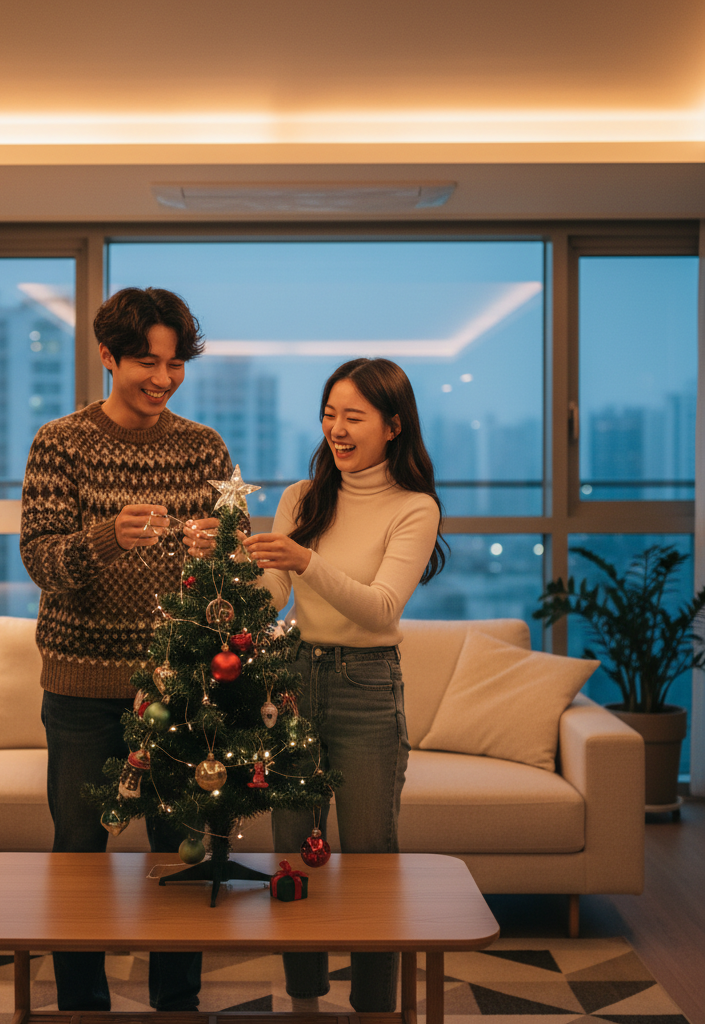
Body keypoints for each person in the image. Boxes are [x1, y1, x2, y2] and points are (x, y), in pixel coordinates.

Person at [19, 286, 230, 1012]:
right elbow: (41, 561)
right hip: (81, 688)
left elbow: (231, 570)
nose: (163, 379)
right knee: (79, 852)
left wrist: (218, 551)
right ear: (108, 356)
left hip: (180, 691)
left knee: (182, 855)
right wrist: (106, 538)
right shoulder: (61, 442)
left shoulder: (204, 448)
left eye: (175, 365)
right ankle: (82, 1005)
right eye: (148, 362)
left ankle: (178, 1004)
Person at [242, 357, 446, 1014]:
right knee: (291, 849)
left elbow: (381, 609)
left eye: (353, 416)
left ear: (393, 425)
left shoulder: (414, 508)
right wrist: (229, 566)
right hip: (295, 677)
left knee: (369, 854)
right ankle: (303, 996)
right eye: (329, 414)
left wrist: (307, 560)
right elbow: (273, 594)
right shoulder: (302, 498)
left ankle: (375, 1003)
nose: (336, 429)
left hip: (367, 686)